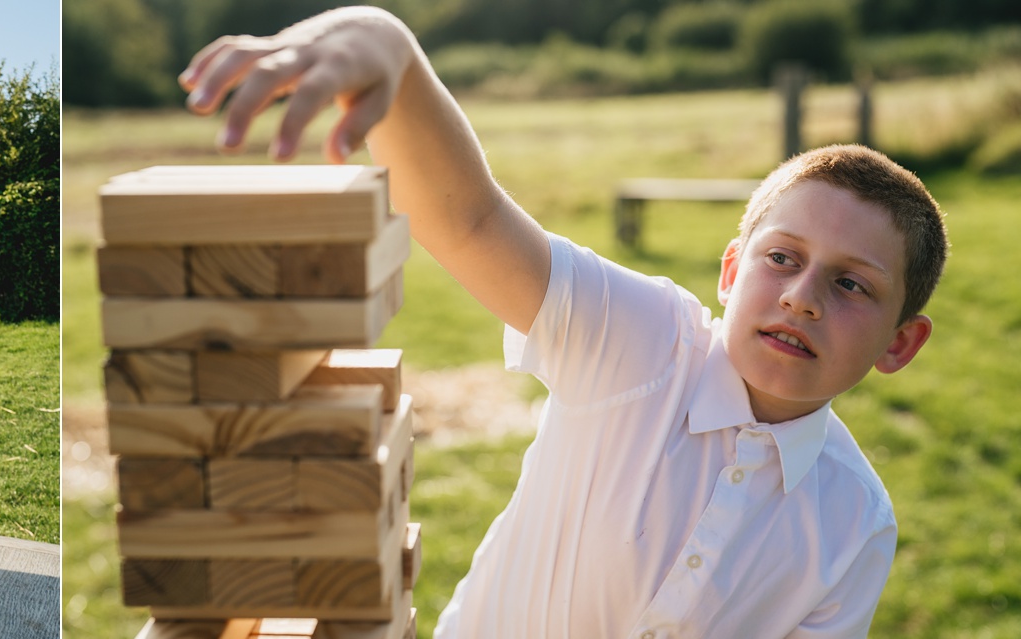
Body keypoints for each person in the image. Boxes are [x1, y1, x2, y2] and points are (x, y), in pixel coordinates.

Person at [178, 7, 944, 638]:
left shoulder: (855, 524)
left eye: (850, 284)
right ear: (731, 271)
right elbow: (473, 222)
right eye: (782, 259)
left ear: (899, 343)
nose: (802, 297)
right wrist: (388, 45)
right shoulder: (644, 338)